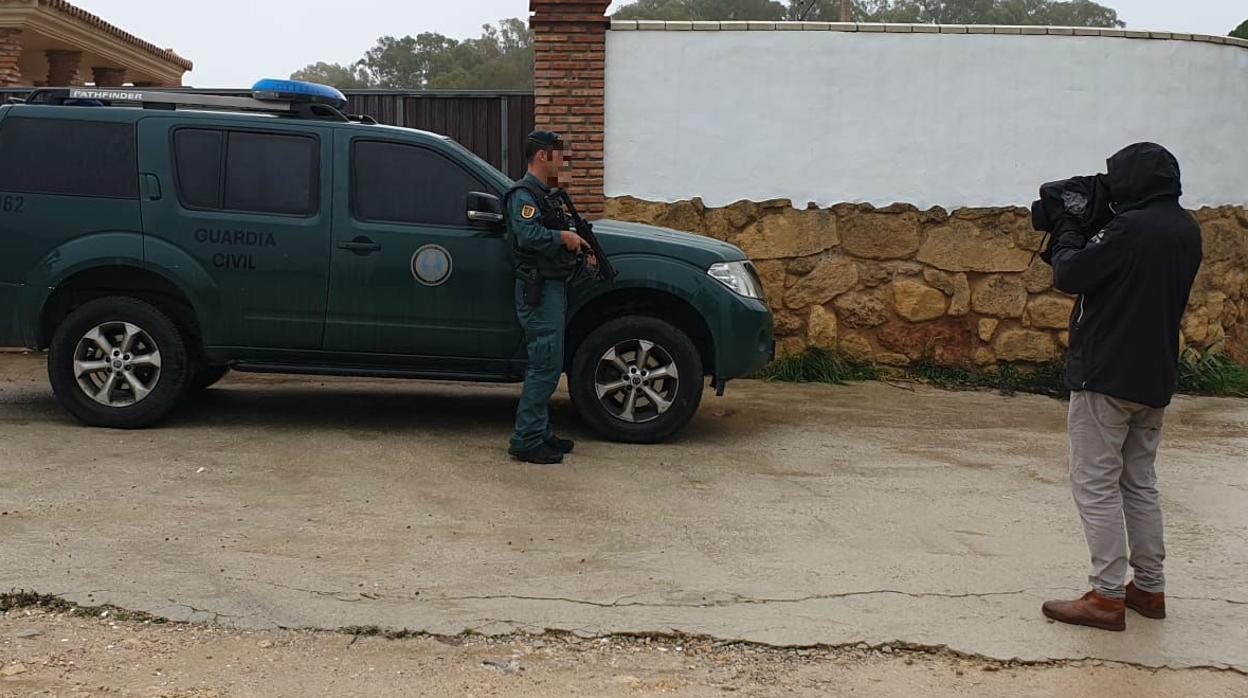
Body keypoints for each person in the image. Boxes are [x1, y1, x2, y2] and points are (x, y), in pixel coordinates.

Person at [1040, 142, 1203, 631]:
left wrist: (1068, 226)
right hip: (1154, 376)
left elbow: (1070, 273)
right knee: (1139, 483)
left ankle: (1106, 596)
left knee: (1095, 484)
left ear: (1134, 179)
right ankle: (1149, 588)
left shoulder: (1130, 228)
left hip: (1106, 373)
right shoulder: (1185, 229)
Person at [504, 131, 594, 465]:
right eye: (560, 157)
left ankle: (539, 432)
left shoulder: (543, 196)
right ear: (543, 156)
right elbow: (528, 236)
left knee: (550, 363)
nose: (563, 163)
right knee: (544, 364)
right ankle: (526, 439)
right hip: (537, 288)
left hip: (550, 286)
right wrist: (563, 238)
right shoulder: (523, 195)